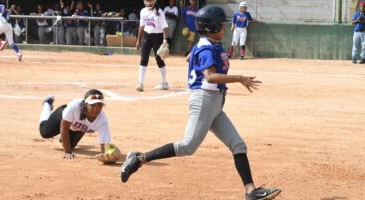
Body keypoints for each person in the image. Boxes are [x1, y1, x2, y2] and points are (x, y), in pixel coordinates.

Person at [120, 5, 281, 200]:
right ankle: (139, 159)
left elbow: (190, 57)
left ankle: (251, 191)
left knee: (238, 144)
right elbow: (211, 77)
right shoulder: (206, 47)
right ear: (212, 29)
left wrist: (194, 56)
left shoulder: (207, 44)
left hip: (215, 103)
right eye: (221, 26)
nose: (224, 29)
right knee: (187, 146)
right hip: (204, 100)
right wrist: (240, 78)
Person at [39, 89, 113, 159]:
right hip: (62, 119)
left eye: (100, 105)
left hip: (77, 128)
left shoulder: (102, 120)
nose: (96, 108)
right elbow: (64, 127)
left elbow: (105, 142)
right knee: (44, 133)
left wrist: (105, 155)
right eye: (93, 105)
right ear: (86, 104)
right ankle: (47, 104)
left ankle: (64, 138)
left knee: (69, 146)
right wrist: (68, 152)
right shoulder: (74, 106)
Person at [135, 0, 169, 92]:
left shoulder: (159, 12)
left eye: (150, 1)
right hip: (146, 36)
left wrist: (165, 40)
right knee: (143, 59)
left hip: (157, 36)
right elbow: (141, 26)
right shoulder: (143, 11)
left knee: (159, 60)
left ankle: (164, 83)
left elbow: (164, 27)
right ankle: (140, 83)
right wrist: (138, 40)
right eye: (147, 1)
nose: (148, 3)